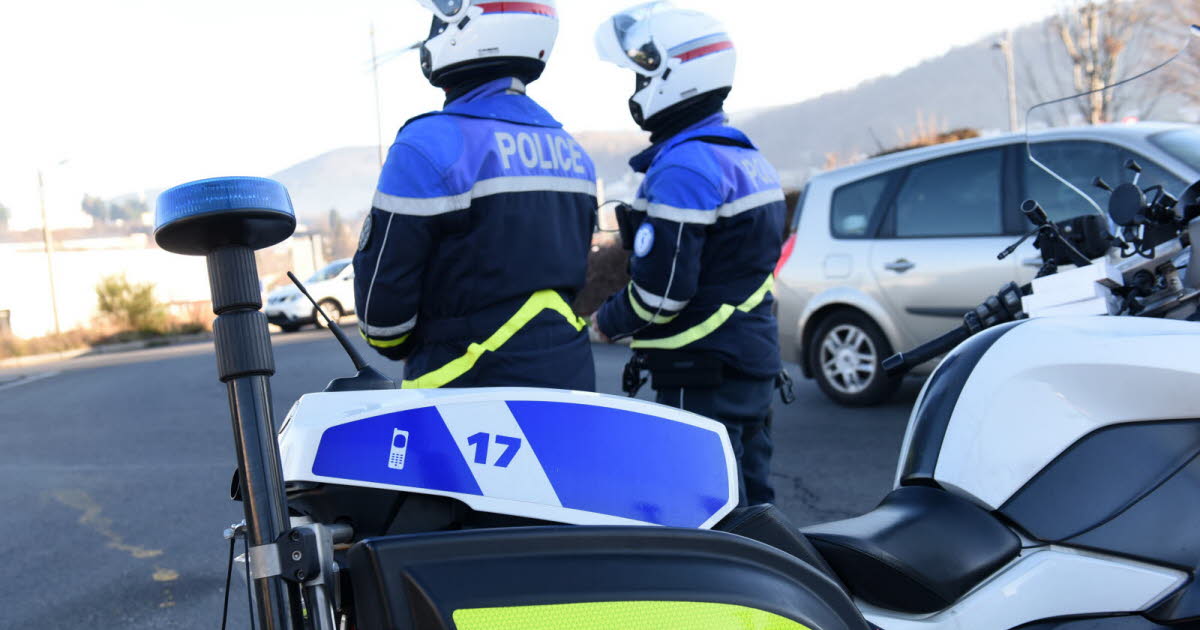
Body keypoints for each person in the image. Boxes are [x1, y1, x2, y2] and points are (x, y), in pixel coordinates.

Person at [591, 2, 787, 506]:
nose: (635, 91)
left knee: (703, 507)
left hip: (703, 369)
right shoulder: (745, 156)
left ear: (674, 74)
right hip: (751, 359)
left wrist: (605, 322)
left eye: (639, 78)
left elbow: (660, 296)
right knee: (756, 503)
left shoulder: (684, 168)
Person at [354, 0, 597, 391]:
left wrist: (400, 340)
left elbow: (383, 316)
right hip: (569, 376)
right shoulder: (573, 152)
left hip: (462, 388)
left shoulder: (429, 144)